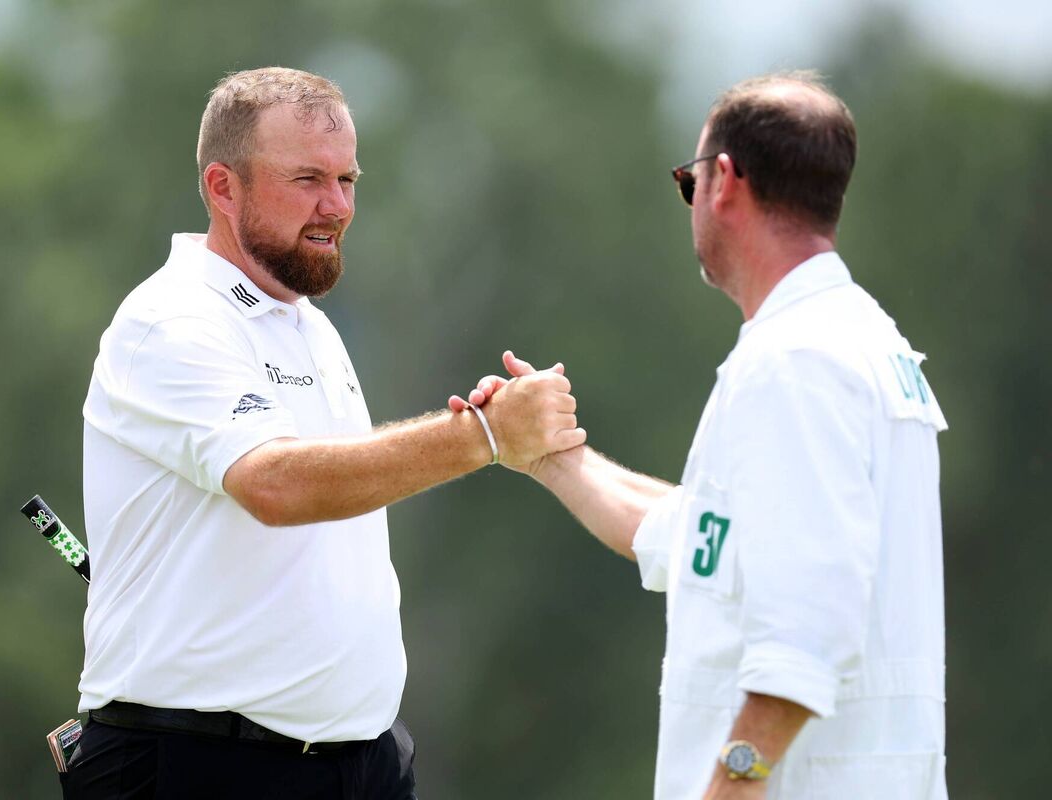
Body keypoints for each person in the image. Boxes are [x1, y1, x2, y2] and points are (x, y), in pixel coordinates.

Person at [67, 67, 585, 799]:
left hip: (357, 764)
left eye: (347, 179)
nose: (336, 205)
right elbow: (276, 484)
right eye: (308, 178)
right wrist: (481, 437)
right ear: (223, 187)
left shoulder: (307, 323)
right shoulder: (172, 320)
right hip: (198, 764)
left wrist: (479, 430)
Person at [453, 72, 948, 799]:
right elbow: (698, 541)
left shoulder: (794, 365)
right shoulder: (860, 340)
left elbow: (802, 645)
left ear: (724, 181)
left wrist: (727, 790)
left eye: (689, 181)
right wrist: (555, 458)